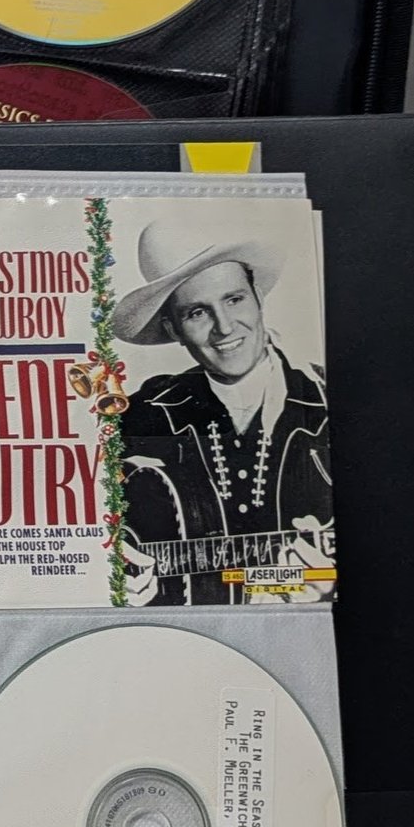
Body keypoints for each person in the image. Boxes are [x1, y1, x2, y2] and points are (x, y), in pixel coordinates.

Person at [110, 219, 333, 605]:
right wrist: (114, 574)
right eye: (197, 312)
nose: (225, 328)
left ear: (258, 297)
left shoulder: (328, 399)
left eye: (234, 300)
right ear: (173, 329)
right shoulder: (141, 415)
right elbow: (86, 534)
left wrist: (327, 585)